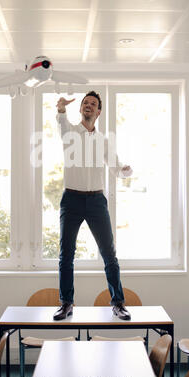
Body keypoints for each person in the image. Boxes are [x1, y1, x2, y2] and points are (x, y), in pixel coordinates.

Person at [53, 91, 133, 321]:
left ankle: (118, 303)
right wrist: (60, 107)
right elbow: (60, 120)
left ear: (98, 112)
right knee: (66, 254)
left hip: (97, 202)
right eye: (85, 103)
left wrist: (126, 170)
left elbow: (116, 168)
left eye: (93, 104)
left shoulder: (103, 141)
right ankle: (66, 303)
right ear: (80, 109)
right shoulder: (69, 133)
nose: (88, 106)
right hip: (72, 200)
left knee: (109, 254)